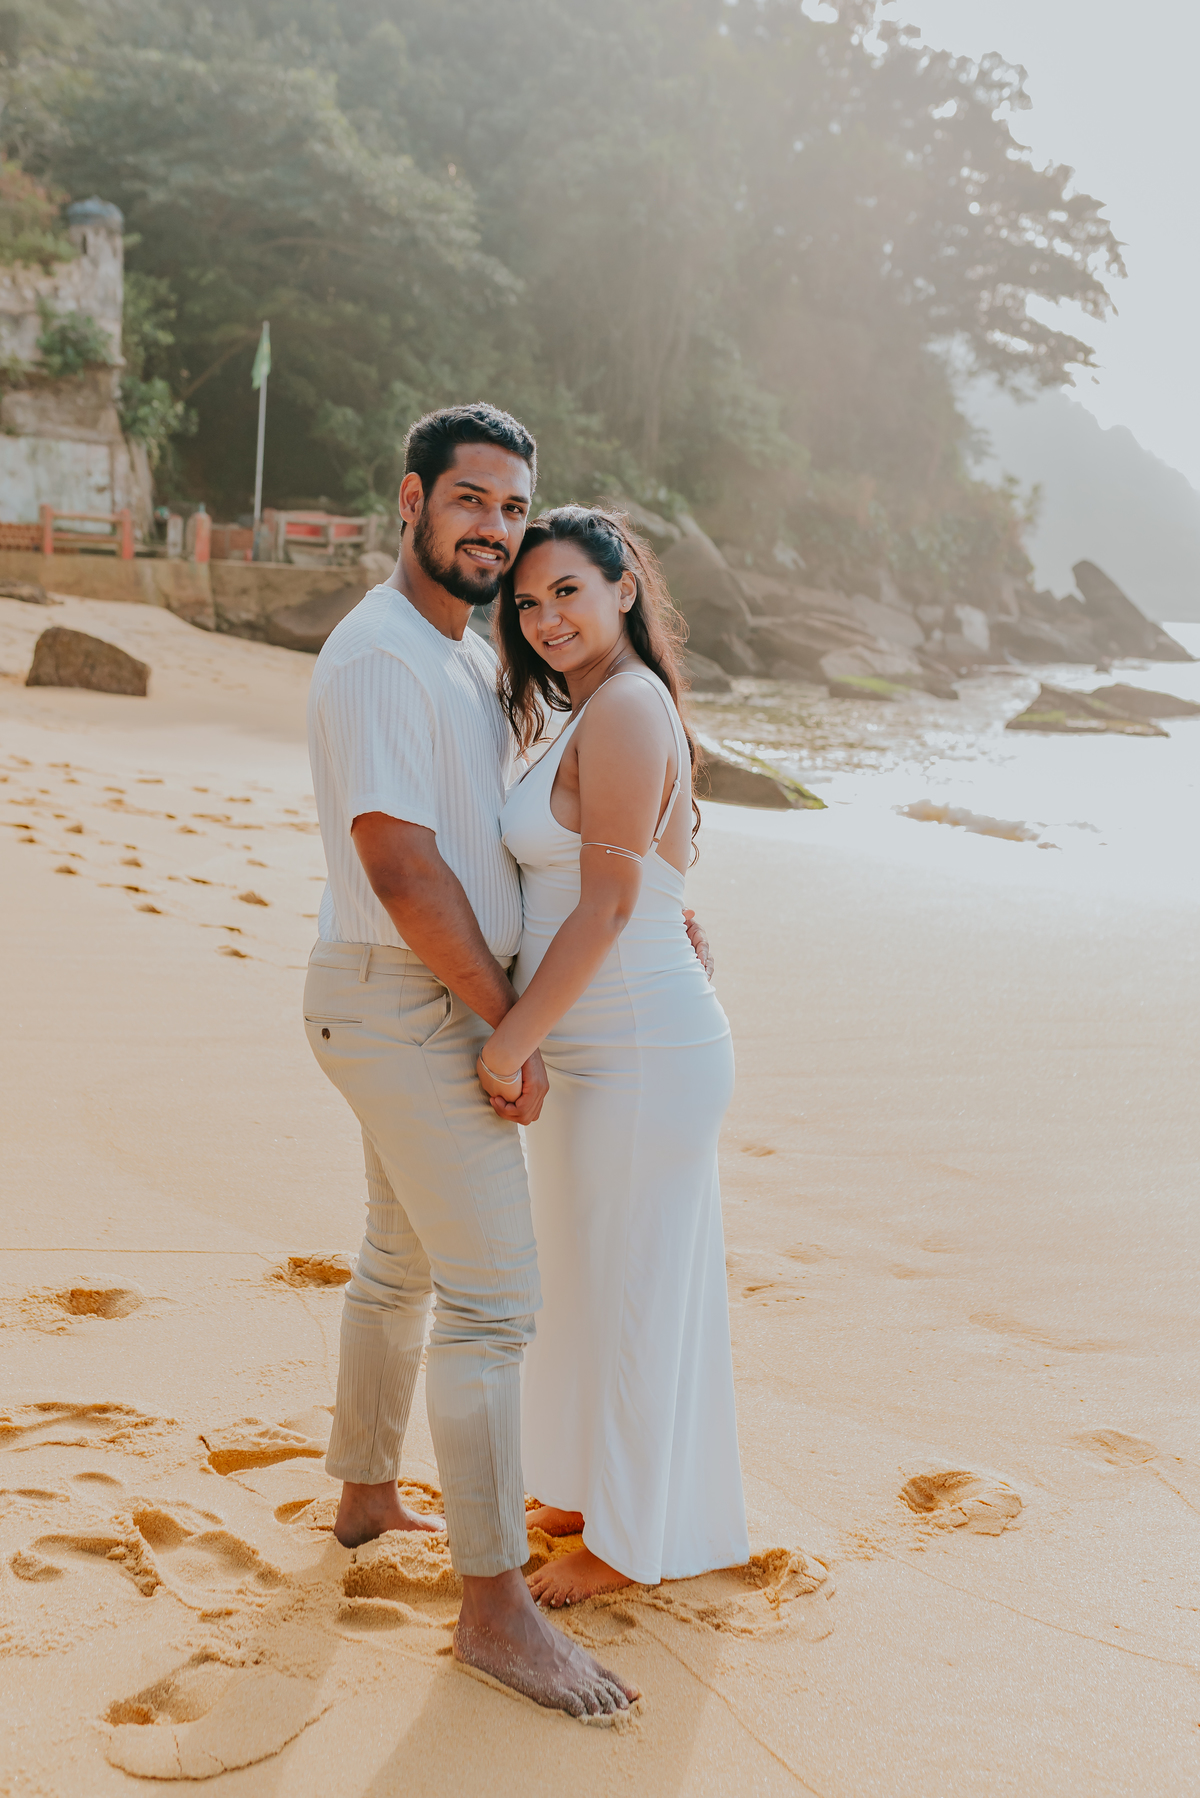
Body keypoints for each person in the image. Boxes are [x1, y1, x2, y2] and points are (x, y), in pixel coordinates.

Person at [303, 404, 638, 1718]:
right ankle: (495, 1606)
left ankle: (364, 1490)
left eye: (512, 506)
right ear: (412, 499)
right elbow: (402, 865)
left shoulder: (453, 651)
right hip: (408, 1000)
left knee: (400, 1261)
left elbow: (504, 833)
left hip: (405, 996)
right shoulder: (384, 656)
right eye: (470, 500)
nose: (495, 527)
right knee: (494, 1301)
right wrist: (508, 1022)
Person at [477, 505, 749, 1607]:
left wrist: (510, 1041)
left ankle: (629, 1542)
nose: (545, 618)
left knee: (632, 1288)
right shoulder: (593, 708)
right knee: (590, 1280)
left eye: (567, 593)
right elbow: (645, 882)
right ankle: (593, 1490)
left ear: (623, 590)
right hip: (602, 1042)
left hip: (638, 1047)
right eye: (527, 602)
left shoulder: (628, 705)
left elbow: (610, 904)